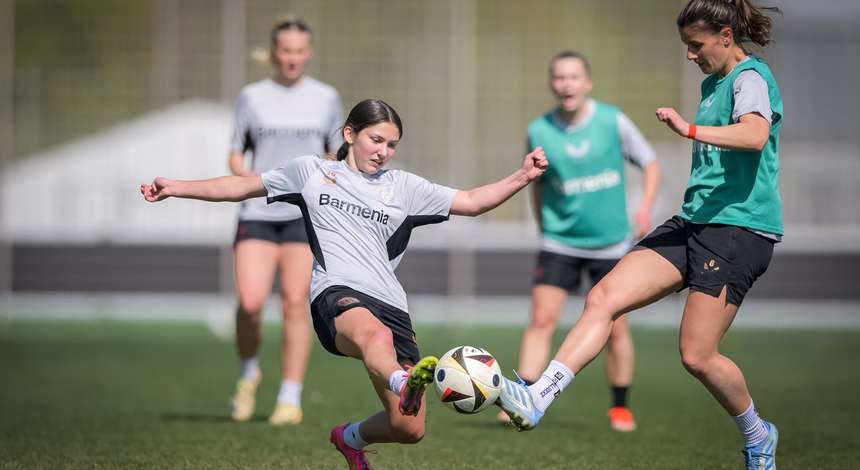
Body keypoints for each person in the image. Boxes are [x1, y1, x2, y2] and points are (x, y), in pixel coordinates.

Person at [141, 99, 548, 469]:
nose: (383, 152)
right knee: (376, 335)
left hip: (392, 304)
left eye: (391, 145)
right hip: (335, 295)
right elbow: (240, 186)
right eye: (376, 140)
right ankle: (401, 380)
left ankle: (349, 437)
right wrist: (176, 187)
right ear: (349, 134)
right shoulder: (311, 172)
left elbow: (474, 202)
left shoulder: (405, 188)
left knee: (409, 429)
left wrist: (523, 175)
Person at [497, 1, 784, 468]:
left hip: (738, 230)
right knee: (604, 297)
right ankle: (537, 398)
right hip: (694, 222)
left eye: (696, 45)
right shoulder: (714, 83)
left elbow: (753, 136)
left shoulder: (751, 79)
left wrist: (688, 128)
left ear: (726, 37)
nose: (690, 55)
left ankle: (758, 433)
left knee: (696, 355)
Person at [500, 50, 660, 432]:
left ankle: (620, 406)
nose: (566, 84)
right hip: (559, 242)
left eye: (573, 77)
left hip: (612, 244)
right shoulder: (539, 130)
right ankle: (521, 396)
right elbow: (534, 183)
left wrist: (644, 211)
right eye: (559, 78)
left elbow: (650, 162)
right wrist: (542, 223)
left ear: (587, 83)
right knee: (541, 320)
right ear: (551, 84)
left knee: (616, 327)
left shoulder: (612, 121)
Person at [227, 16, 343, 425]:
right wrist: (247, 181)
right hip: (258, 213)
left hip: (302, 216)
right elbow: (236, 152)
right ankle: (248, 373)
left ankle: (289, 397)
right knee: (250, 302)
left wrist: (322, 182)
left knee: (296, 303)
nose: (292, 58)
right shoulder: (252, 96)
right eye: (285, 51)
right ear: (274, 53)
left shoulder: (326, 98)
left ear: (307, 53)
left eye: (299, 51)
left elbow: (335, 153)